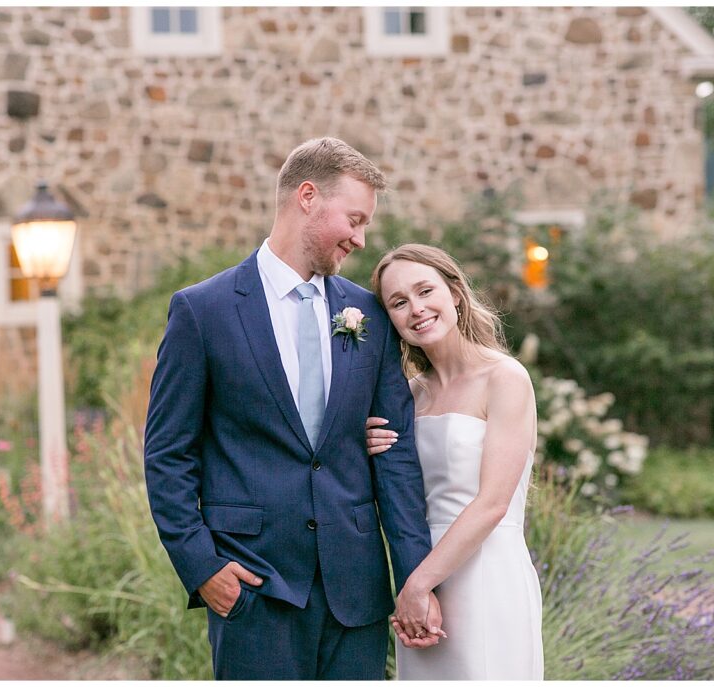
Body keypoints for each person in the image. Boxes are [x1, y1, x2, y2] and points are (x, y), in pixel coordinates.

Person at [144, 138, 439, 680]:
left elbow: (394, 459)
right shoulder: (202, 312)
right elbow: (168, 453)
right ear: (307, 196)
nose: (361, 237)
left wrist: (416, 579)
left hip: (357, 594)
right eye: (354, 218)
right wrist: (202, 567)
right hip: (253, 588)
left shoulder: (366, 314)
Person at [366, 243, 544, 680]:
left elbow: (492, 504)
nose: (417, 309)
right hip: (422, 573)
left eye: (426, 291)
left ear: (456, 294)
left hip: (486, 571)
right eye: (399, 302)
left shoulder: (504, 378)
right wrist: (365, 448)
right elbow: (397, 495)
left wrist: (417, 586)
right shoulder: (407, 396)